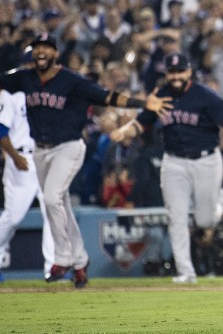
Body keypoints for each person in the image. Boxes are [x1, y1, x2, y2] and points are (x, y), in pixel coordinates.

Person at [0, 33, 171, 288]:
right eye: (37, 48)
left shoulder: (71, 81)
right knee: (60, 205)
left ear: (55, 53)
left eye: (47, 48)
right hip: (40, 150)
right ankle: (80, 261)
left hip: (68, 147)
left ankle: (63, 259)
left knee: (51, 198)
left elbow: (108, 97)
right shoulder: (25, 78)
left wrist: (143, 103)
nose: (41, 52)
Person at [110, 52, 223, 284]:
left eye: (180, 71)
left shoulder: (205, 96)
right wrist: (124, 131)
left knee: (204, 221)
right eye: (172, 72)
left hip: (206, 160)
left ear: (189, 72)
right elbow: (141, 124)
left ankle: (217, 205)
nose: (176, 76)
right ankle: (185, 272)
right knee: (176, 216)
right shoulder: (160, 96)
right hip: (174, 162)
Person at [0, 49, 54, 282]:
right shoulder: (10, 93)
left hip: (45, 155)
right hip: (20, 159)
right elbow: (1, 129)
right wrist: (13, 156)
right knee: (12, 216)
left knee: (52, 212)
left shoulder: (49, 92)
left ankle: (54, 267)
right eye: (31, 64)